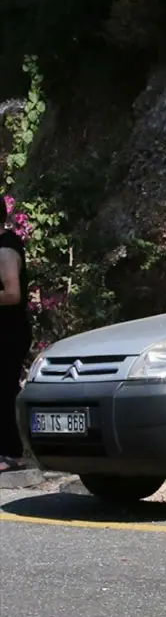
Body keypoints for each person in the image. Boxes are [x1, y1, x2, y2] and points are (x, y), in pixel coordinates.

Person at [0, 196, 31, 472]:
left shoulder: (6, 249)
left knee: (5, 388)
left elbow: (12, 294)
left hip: (9, 332)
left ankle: (11, 453)